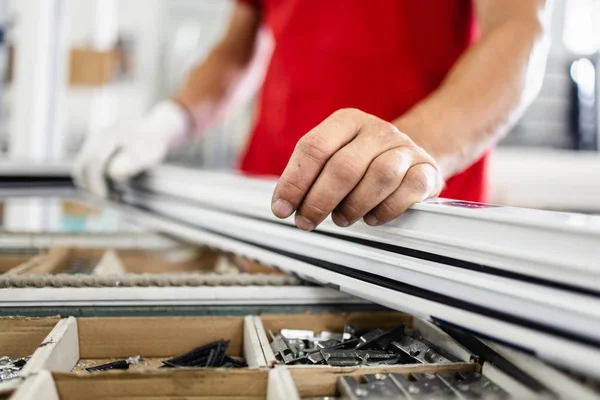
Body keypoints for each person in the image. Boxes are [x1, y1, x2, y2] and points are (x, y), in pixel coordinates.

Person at [74, 0, 551, 231]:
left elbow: (518, 30)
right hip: (272, 205)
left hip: (409, 218)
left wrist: (409, 149)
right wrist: (167, 121)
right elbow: (239, 46)